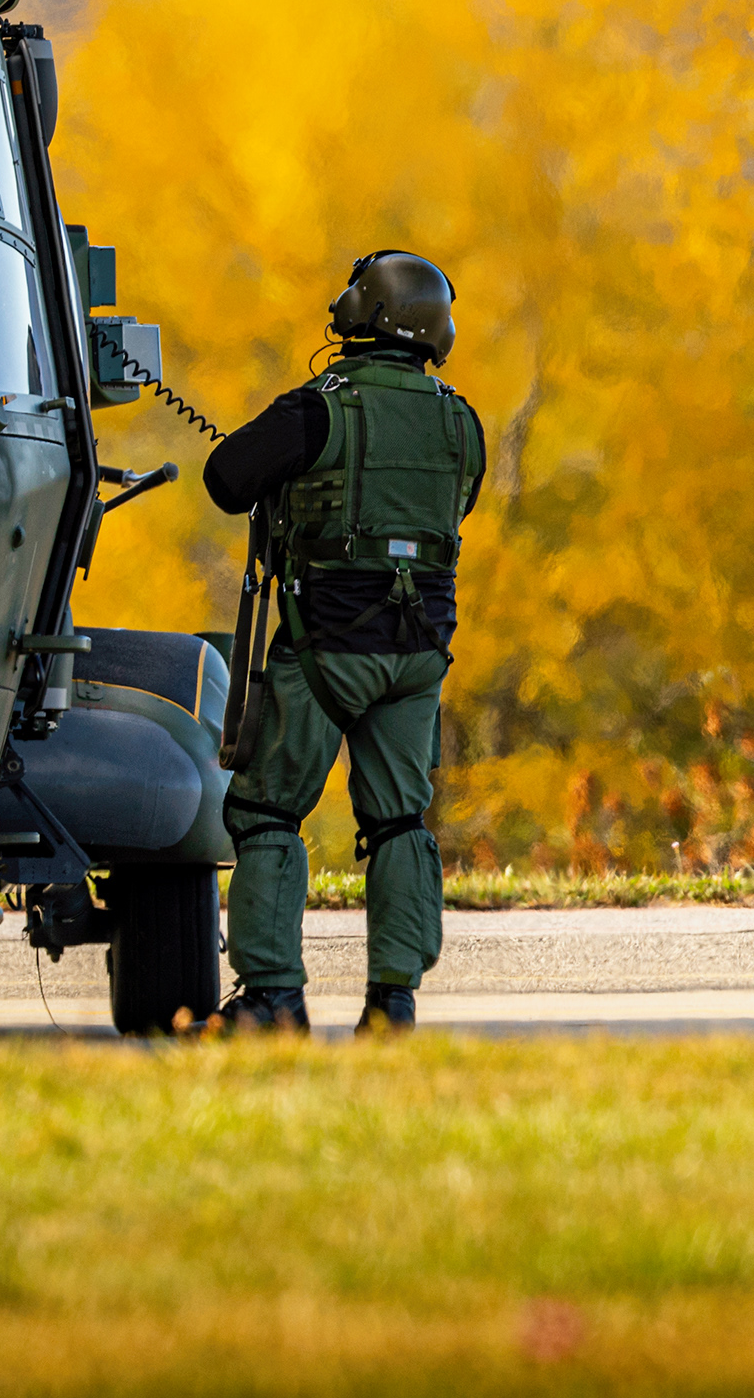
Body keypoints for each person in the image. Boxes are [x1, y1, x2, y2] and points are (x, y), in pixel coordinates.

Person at [198, 250, 487, 1036]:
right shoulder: (461, 421)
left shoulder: (317, 409)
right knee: (399, 820)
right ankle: (394, 1002)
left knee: (266, 812)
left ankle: (273, 999)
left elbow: (224, 478)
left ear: (362, 312)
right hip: (418, 652)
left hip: (325, 645)